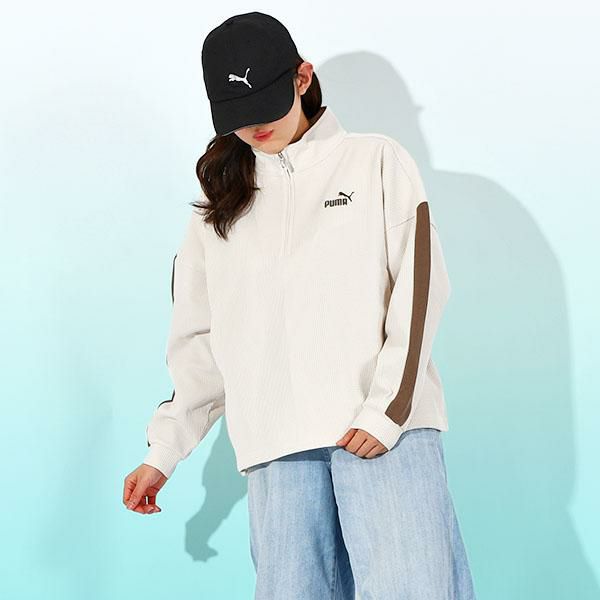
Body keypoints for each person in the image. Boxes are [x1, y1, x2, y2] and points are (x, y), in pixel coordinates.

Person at [123, 11, 477, 600]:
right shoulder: (218, 208)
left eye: (264, 103)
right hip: (275, 446)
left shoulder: (375, 161)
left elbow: (419, 290)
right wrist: (164, 452)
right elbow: (199, 343)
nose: (254, 125)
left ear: (302, 77)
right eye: (237, 114)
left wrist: (386, 411)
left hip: (379, 433)